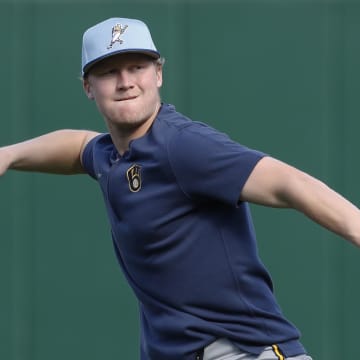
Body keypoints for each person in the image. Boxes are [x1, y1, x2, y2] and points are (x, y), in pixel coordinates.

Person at [0, 17, 359, 360]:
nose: (125, 81)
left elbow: (290, 183)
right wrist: (10, 154)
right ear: (87, 87)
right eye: (109, 71)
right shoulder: (111, 155)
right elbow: (77, 147)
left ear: (158, 73)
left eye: (137, 67)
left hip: (243, 350)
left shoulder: (182, 146)